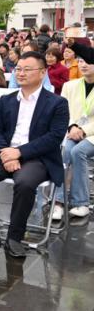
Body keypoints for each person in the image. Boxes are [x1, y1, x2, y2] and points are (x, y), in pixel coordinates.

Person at [0, 52, 68, 258]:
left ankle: (14, 237)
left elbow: (54, 138)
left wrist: (19, 153)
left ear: (42, 72)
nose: (21, 73)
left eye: (27, 69)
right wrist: (6, 153)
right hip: (5, 152)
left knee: (25, 183)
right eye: (18, 69)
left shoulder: (57, 103)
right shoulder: (7, 100)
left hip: (38, 157)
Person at [49, 53, 94, 221]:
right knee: (66, 152)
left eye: (89, 62)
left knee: (78, 152)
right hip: (73, 130)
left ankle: (81, 202)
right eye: (81, 61)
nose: (83, 65)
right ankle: (59, 202)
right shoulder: (70, 86)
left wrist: (82, 130)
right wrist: (72, 126)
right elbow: (63, 111)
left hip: (90, 133)